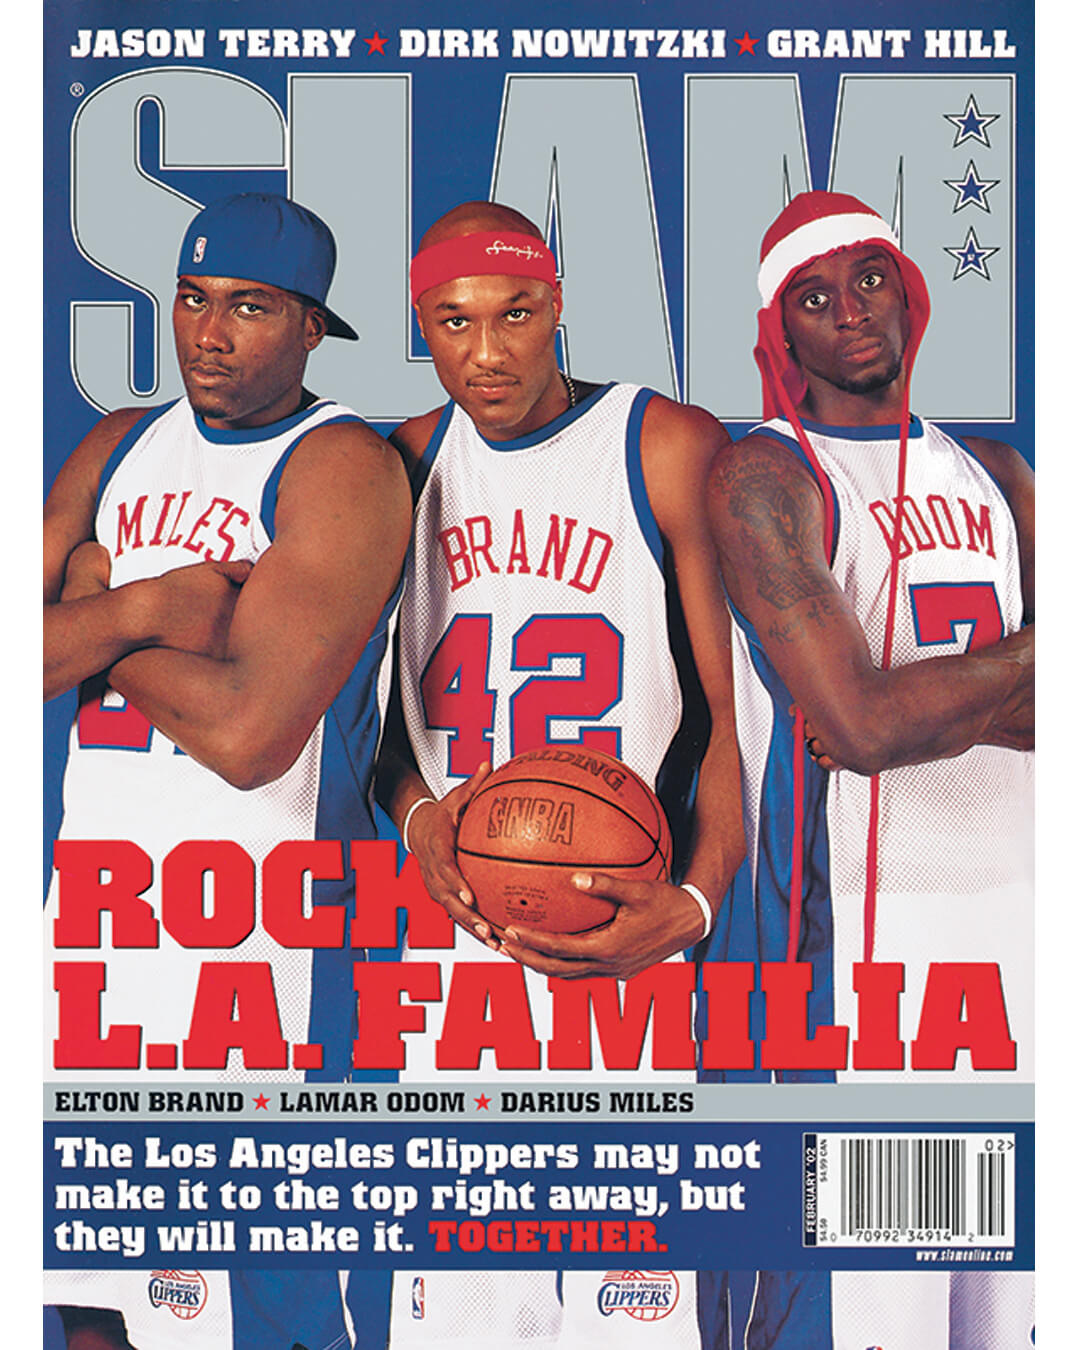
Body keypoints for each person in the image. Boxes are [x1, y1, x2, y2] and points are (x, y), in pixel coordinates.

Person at [373, 201, 744, 1346]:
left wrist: (690, 905)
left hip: (628, 949)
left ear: (560, 305)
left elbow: (738, 724)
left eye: (516, 315)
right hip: (453, 964)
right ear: (421, 326)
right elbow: (375, 726)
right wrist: (424, 818)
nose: (487, 352)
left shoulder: (666, 446)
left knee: (639, 1319)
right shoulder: (400, 460)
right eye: (454, 321)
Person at [44, 193, 410, 1350]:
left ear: (311, 328)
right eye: (193, 301)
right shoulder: (117, 443)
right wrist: (162, 607)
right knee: (91, 1310)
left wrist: (91, 620)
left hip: (253, 957)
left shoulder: (341, 464)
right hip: (91, 945)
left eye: (249, 308)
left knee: (250, 1323)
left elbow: (255, 738)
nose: (208, 334)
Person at [707, 190, 1033, 1347]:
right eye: (813, 296)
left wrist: (916, 702)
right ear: (778, 333)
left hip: (1026, 954)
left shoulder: (998, 473)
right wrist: (1022, 666)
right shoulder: (764, 478)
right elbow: (858, 729)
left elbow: (889, 711)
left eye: (869, 281)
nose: (850, 312)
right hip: (868, 983)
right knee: (865, 1324)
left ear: (911, 291)